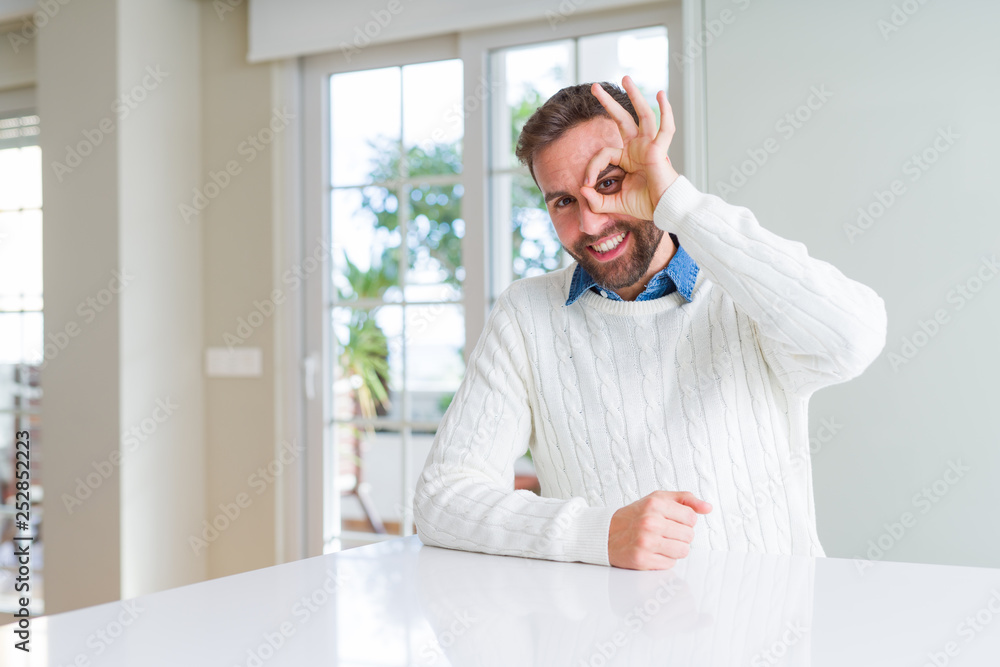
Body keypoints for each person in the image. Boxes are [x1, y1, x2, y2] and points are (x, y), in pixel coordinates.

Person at [413, 76, 886, 570]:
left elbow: (853, 340)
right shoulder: (525, 315)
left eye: (609, 183)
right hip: (602, 621)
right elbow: (442, 500)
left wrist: (678, 203)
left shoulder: (742, 291)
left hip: (770, 616)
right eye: (564, 201)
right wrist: (599, 534)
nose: (591, 222)